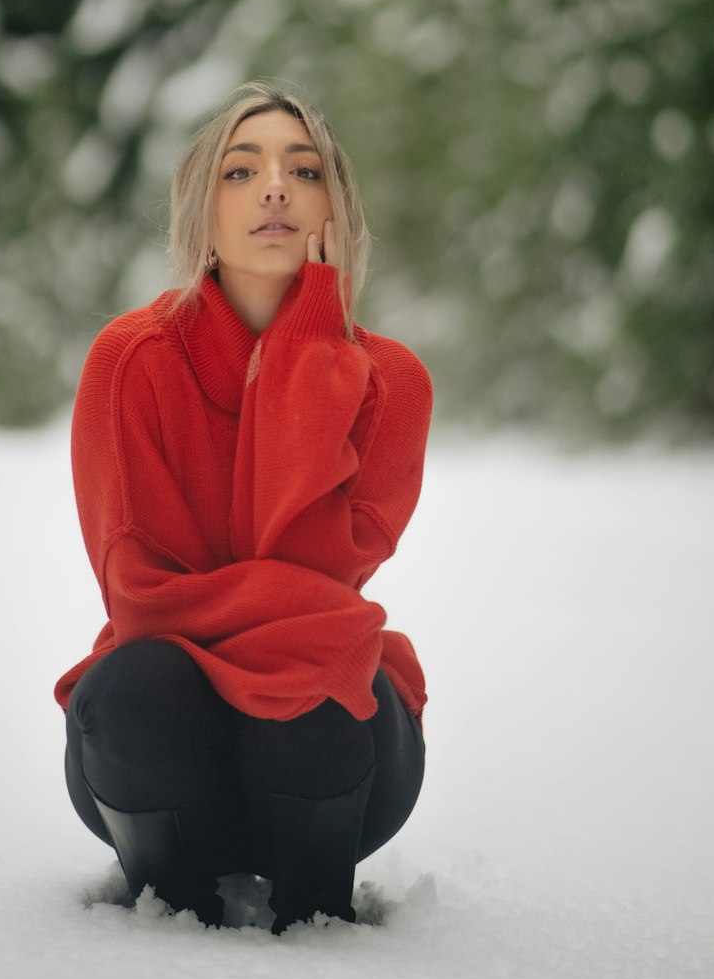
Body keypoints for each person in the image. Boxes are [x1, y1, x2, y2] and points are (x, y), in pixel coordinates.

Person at [55, 81, 433, 932]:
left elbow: (322, 583)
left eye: (303, 170)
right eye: (240, 171)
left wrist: (306, 349)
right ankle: (172, 918)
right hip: (156, 751)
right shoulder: (132, 362)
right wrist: (282, 614)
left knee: (319, 693)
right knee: (140, 685)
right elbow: (143, 600)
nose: (273, 188)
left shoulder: (392, 385)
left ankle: (317, 927)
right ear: (202, 211)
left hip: (340, 759)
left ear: (334, 207)